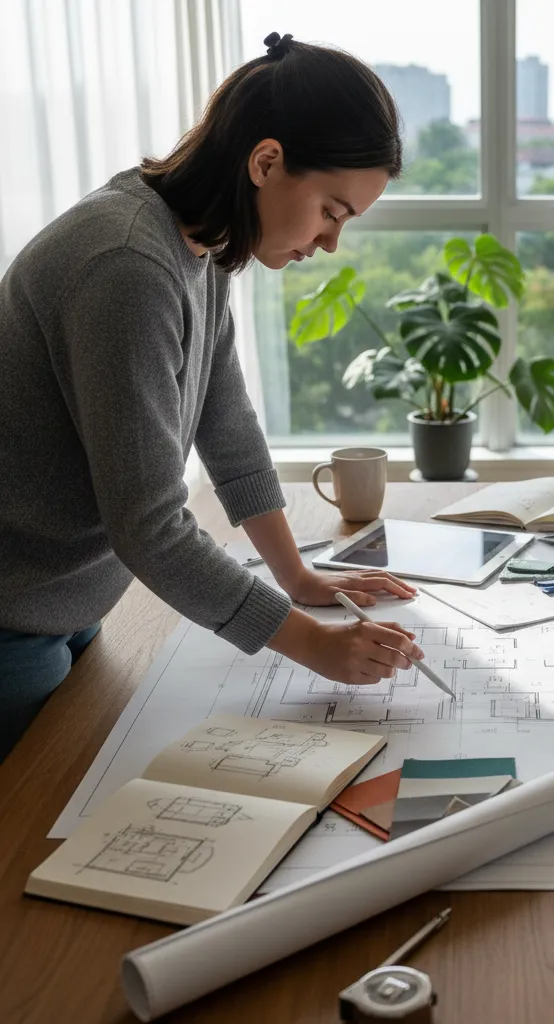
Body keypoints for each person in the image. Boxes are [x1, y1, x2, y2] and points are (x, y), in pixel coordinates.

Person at [0, 32, 426, 762]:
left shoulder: (198, 246)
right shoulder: (127, 264)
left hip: (69, 603)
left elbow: (226, 425)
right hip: (12, 619)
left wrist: (297, 578)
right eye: (333, 210)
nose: (330, 242)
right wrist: (312, 645)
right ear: (266, 162)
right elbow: (150, 526)